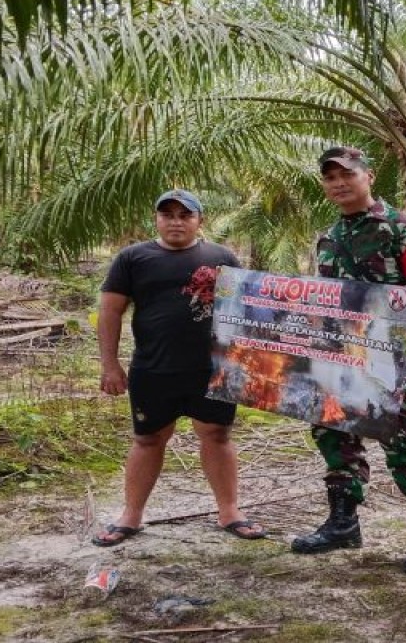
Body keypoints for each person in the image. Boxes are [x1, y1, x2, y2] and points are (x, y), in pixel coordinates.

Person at [290, 146, 406, 573]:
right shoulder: (329, 237)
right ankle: (343, 523)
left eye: (347, 174)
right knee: (334, 435)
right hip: (337, 357)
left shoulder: (403, 227)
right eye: (330, 177)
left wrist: (405, 306)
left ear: (368, 176)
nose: (339, 183)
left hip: (385, 359)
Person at [93, 189, 266, 546]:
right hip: (154, 368)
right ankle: (131, 516)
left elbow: (245, 311)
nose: (176, 222)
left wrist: (250, 364)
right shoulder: (132, 258)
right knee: (147, 439)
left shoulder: (222, 257)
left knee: (217, 435)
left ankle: (230, 511)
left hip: (213, 368)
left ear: (200, 221)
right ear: (156, 219)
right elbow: (110, 311)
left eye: (185, 215)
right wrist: (110, 365)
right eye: (167, 215)